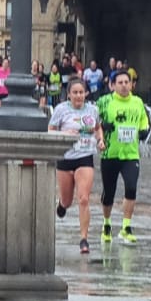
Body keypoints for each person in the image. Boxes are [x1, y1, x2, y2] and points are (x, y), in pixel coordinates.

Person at [48, 74, 105, 253]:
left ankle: (84, 239)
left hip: (85, 156)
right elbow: (50, 130)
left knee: (84, 198)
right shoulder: (61, 110)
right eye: (75, 93)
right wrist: (64, 135)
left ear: (86, 93)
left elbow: (97, 127)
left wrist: (100, 140)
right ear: (69, 95)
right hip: (65, 158)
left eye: (82, 92)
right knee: (67, 200)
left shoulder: (92, 110)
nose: (79, 96)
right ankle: (62, 205)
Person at [97, 68, 150, 245]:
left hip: (131, 154)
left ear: (132, 84)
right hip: (110, 152)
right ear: (112, 85)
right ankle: (106, 223)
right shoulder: (104, 102)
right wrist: (103, 127)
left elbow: (143, 119)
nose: (124, 85)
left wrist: (144, 130)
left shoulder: (137, 102)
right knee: (109, 193)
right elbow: (93, 122)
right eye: (120, 82)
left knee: (131, 188)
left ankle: (126, 227)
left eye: (127, 82)